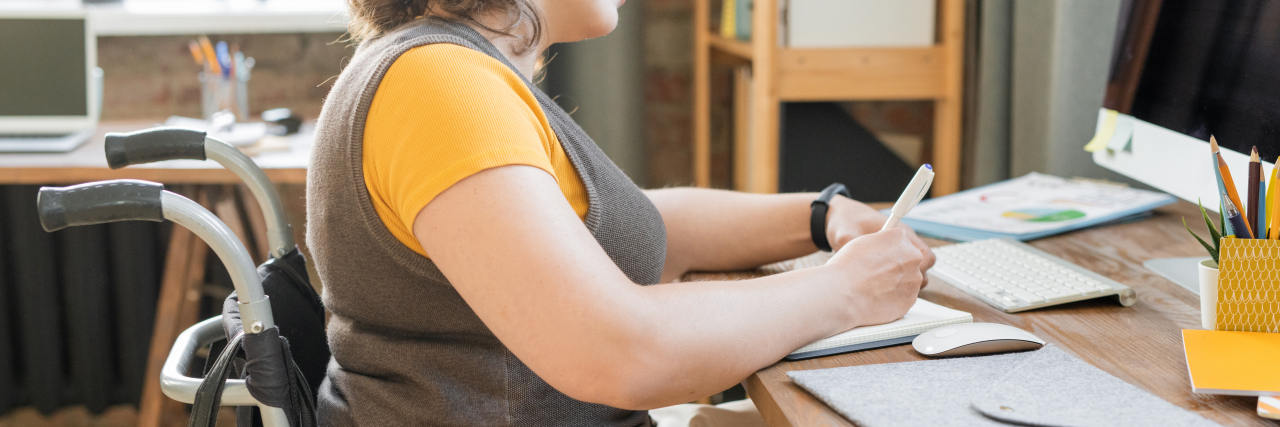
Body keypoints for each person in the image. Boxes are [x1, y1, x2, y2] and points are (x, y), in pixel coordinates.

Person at [306, 0, 936, 425]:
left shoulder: (445, 69)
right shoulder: (439, 83)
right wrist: (846, 290)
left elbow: (619, 226)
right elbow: (617, 351)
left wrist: (819, 216)